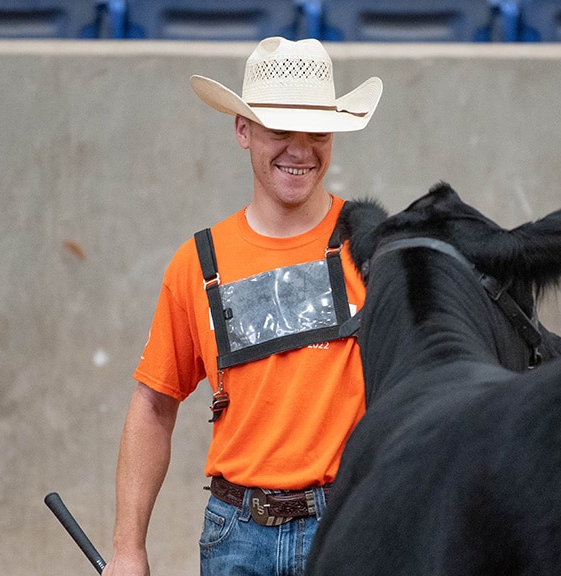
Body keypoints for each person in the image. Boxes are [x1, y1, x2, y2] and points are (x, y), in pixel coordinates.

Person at [102, 37, 382, 576]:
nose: (300, 150)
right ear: (242, 130)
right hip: (235, 538)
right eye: (279, 129)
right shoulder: (197, 263)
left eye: (317, 132)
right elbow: (153, 405)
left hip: (349, 527)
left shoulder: (373, 249)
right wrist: (128, 549)